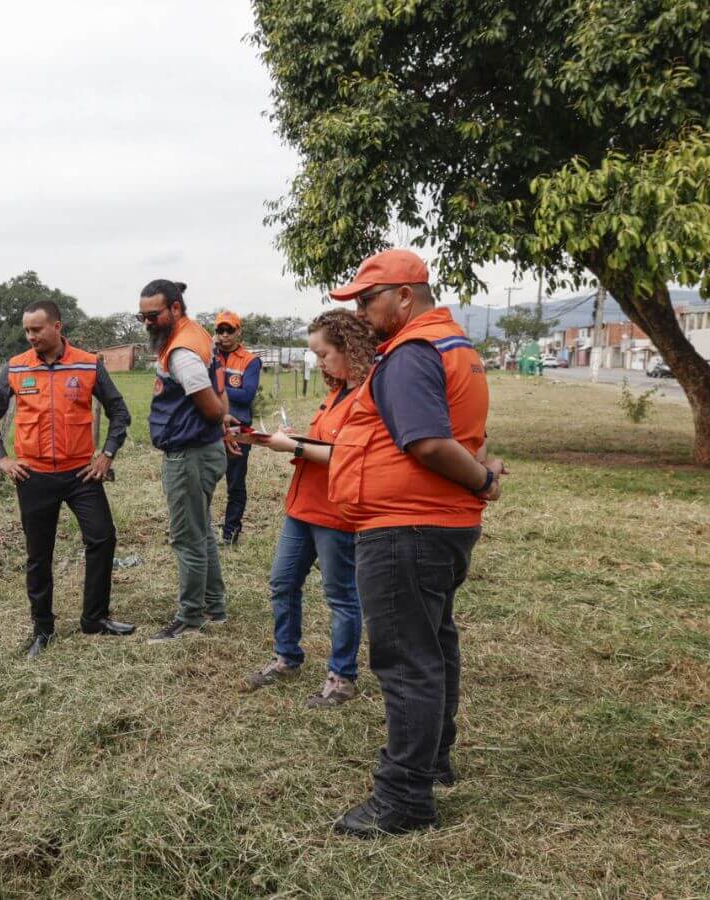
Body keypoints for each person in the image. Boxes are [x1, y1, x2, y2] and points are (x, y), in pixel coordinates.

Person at [323, 248, 506, 838]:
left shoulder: (410, 352)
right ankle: (433, 761)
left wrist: (482, 481)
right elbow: (464, 435)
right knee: (434, 645)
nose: (361, 314)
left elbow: (427, 442)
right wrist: (480, 477)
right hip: (437, 523)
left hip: (407, 527)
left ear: (404, 295)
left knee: (407, 660)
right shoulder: (454, 346)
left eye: (367, 300)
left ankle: (404, 798)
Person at [231, 309, 374, 707]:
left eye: (323, 353)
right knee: (282, 581)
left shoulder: (367, 396)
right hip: (304, 505)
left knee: (340, 594)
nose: (319, 362)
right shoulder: (336, 392)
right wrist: (292, 441)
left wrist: (292, 445)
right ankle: (286, 658)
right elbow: (325, 444)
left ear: (350, 348)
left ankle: (342, 677)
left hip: (335, 510)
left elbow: (350, 457)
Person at [0, 299, 134, 659]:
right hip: (33, 476)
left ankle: (94, 618)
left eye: (37, 329)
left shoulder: (88, 364)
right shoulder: (16, 367)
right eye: (27, 330)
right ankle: (42, 628)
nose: (31, 336)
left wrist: (106, 455)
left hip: (81, 474)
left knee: (102, 538)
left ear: (57, 327)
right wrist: (3, 459)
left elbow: (119, 411)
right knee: (39, 554)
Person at [136, 280, 230, 643]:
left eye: (153, 315)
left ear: (175, 308)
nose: (147, 322)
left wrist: (221, 420)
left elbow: (212, 408)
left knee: (187, 538)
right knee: (201, 530)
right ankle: (214, 607)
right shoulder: (194, 334)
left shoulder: (181, 353)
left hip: (190, 455)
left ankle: (189, 618)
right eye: (142, 316)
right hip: (202, 450)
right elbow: (219, 390)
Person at [213, 311, 262, 546]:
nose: (224, 335)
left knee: (235, 484)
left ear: (238, 331)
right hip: (211, 428)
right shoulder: (209, 356)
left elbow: (246, 395)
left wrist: (214, 387)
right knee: (203, 481)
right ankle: (201, 532)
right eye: (220, 330)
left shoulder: (250, 360)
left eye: (229, 330)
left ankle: (230, 534)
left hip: (239, 430)